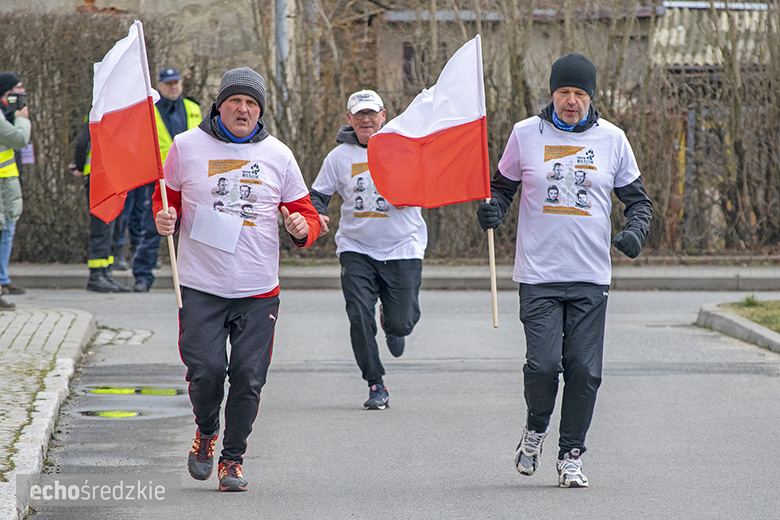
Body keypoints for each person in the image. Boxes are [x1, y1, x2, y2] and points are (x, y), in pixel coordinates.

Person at [476, 53, 652, 488]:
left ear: (591, 96)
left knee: (584, 370)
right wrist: (493, 210)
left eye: (579, 93)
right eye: (563, 92)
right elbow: (501, 188)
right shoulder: (525, 134)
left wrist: (635, 232)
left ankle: (570, 455)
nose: (570, 101)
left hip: (591, 276)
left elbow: (639, 202)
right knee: (542, 364)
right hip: (538, 275)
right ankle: (536, 430)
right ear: (551, 93)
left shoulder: (613, 139)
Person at [153, 67, 320, 492]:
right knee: (206, 371)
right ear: (219, 106)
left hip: (257, 289)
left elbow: (306, 212)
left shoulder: (278, 155)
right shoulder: (187, 146)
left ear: (260, 110)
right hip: (200, 285)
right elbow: (165, 194)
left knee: (248, 377)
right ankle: (206, 430)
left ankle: (232, 459)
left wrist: (302, 227)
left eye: (251, 103)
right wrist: (164, 216)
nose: (243, 109)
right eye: (235, 102)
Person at [310, 89, 428, 410]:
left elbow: (429, 185)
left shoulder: (404, 148)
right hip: (356, 248)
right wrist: (317, 214)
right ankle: (376, 382)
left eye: (371, 114)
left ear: (383, 116)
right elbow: (318, 194)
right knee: (358, 314)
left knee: (402, 323)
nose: (365, 119)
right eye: (358, 114)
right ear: (349, 119)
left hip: (403, 247)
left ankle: (392, 323)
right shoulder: (338, 158)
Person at [126, 68, 203, 293]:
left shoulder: (193, 108)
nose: (173, 87)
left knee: (197, 229)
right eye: (168, 83)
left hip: (192, 177)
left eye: (176, 82)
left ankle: (198, 280)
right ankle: (142, 276)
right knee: (152, 228)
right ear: (160, 86)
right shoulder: (150, 111)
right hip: (160, 179)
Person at [70, 124, 131, 293]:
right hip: (101, 177)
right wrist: (81, 167)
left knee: (112, 228)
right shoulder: (102, 113)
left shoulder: (112, 113)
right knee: (103, 228)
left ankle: (105, 273)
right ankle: (97, 276)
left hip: (113, 178)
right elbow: (82, 144)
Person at [0, 72, 30, 308]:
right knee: (4, 231)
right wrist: (22, 119)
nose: (19, 95)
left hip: (7, 181)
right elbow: (19, 139)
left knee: (7, 231)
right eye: (15, 90)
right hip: (3, 183)